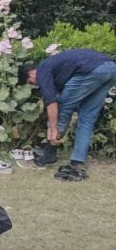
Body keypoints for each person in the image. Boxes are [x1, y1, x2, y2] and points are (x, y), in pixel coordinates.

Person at [19, 49, 116, 181]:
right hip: (111, 68)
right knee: (87, 118)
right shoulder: (56, 71)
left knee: (64, 106)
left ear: (31, 73)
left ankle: (49, 154)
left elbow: (52, 103)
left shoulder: (42, 70)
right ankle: (76, 163)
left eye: (30, 82)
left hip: (92, 69)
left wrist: (53, 128)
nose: (35, 85)